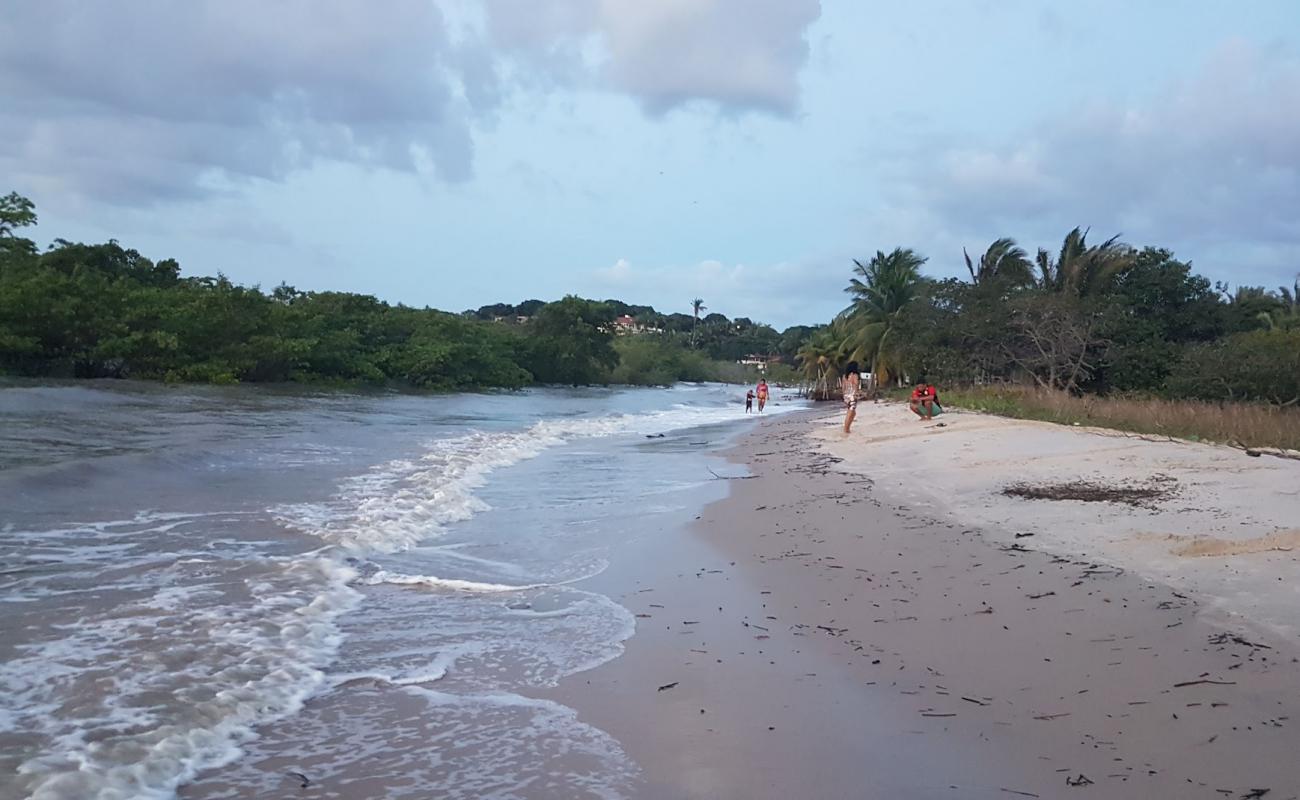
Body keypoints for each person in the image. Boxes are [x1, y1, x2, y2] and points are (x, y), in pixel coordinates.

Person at [840, 361, 861, 434]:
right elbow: (855, 385)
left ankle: (847, 428)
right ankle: (846, 429)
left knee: (852, 412)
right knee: (850, 412)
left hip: (846, 395)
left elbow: (843, 387)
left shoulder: (844, 376)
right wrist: (856, 393)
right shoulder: (855, 375)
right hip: (852, 395)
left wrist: (844, 396)